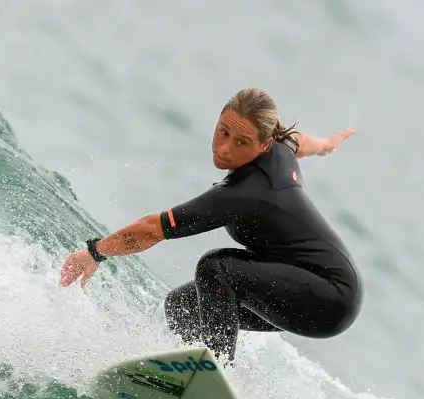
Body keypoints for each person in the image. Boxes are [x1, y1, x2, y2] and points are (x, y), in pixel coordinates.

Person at [59, 87, 363, 367]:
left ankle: (215, 370)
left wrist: (94, 253)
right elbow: (298, 142)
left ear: (264, 143)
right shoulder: (279, 150)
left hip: (328, 298)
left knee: (216, 268)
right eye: (223, 132)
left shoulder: (244, 193)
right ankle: (187, 378)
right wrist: (326, 145)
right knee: (183, 305)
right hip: (322, 291)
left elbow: (152, 229)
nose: (225, 148)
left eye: (241, 142)